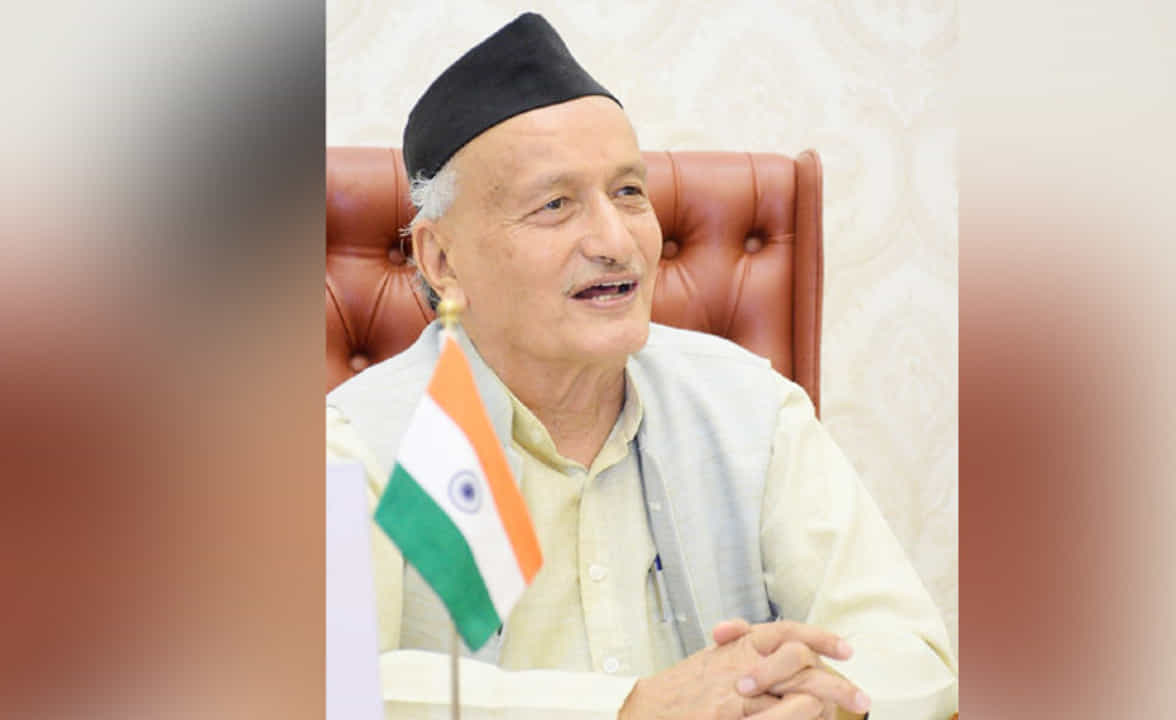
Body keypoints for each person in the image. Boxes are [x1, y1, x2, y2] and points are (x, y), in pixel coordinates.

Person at [326, 12, 957, 720]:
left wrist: (819, 697)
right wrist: (633, 707)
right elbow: (325, 685)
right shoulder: (357, 445)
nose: (616, 240)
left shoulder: (750, 409)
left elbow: (912, 653)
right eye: (555, 204)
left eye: (629, 193)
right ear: (442, 260)